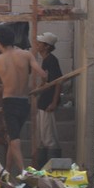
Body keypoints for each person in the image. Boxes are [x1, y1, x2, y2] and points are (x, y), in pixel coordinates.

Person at [0, 26, 47, 175]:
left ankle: (22, 172)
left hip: (9, 102)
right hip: (24, 102)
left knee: (14, 138)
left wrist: (7, 85)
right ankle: (8, 170)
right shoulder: (26, 54)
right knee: (11, 138)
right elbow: (42, 74)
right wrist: (44, 82)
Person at [35, 32, 64, 168]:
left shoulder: (51, 60)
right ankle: (43, 167)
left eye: (40, 43)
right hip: (44, 101)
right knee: (43, 136)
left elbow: (58, 82)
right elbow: (46, 81)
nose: (37, 45)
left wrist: (54, 102)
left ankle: (51, 169)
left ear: (46, 46)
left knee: (49, 137)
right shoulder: (45, 60)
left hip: (48, 103)